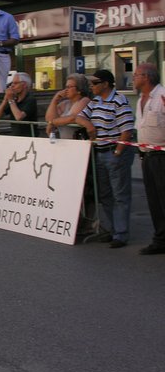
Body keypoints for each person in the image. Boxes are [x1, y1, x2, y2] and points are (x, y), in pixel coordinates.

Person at [75, 69, 135, 249]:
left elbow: (127, 129)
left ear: (105, 84)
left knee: (120, 194)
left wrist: (118, 151)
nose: (91, 86)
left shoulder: (119, 100)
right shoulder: (96, 101)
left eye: (94, 83)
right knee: (105, 194)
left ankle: (121, 233)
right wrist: (88, 125)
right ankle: (112, 228)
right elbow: (79, 116)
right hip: (100, 152)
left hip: (114, 152)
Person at [132, 63, 165, 255]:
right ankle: (160, 239)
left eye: (136, 75)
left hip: (162, 155)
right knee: (154, 200)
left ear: (147, 77)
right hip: (147, 156)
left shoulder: (161, 96)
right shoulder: (140, 100)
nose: (133, 78)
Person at [45, 74, 91, 139]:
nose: (66, 90)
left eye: (69, 87)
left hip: (78, 142)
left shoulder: (84, 100)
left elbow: (72, 118)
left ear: (79, 90)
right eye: (66, 87)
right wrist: (55, 100)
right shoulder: (65, 103)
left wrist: (53, 122)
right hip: (65, 143)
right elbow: (49, 119)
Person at [0, 72, 38, 137]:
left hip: (29, 138)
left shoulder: (30, 99)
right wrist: (5, 100)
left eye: (16, 83)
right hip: (16, 137)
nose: (12, 86)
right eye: (12, 83)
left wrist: (11, 100)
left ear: (24, 84)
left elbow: (19, 117)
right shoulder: (15, 100)